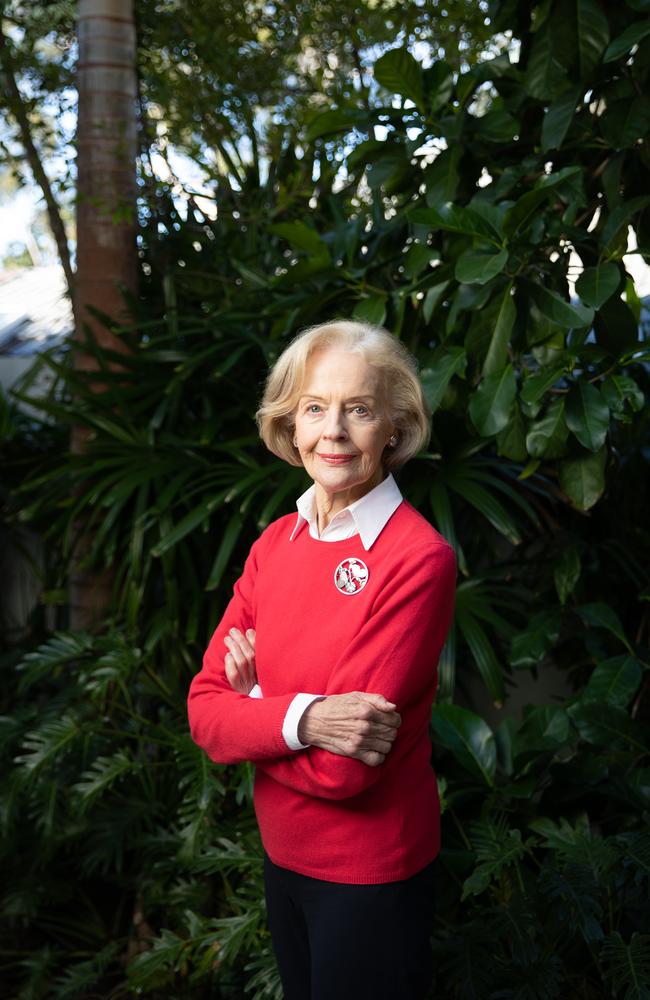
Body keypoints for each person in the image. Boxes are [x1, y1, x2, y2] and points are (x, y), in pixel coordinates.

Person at [187, 319, 456, 1000]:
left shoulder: (417, 559)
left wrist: (255, 706)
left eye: (358, 410)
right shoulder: (275, 543)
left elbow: (345, 773)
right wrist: (302, 719)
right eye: (315, 407)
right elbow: (204, 716)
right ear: (292, 423)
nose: (333, 430)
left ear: (392, 427)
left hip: (369, 871)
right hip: (284, 857)